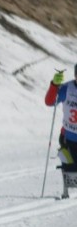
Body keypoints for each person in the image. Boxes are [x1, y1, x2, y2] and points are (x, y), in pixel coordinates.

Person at [44, 65, 77, 198]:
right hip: (68, 136)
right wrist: (54, 85)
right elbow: (49, 101)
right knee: (69, 166)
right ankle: (66, 192)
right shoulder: (67, 88)